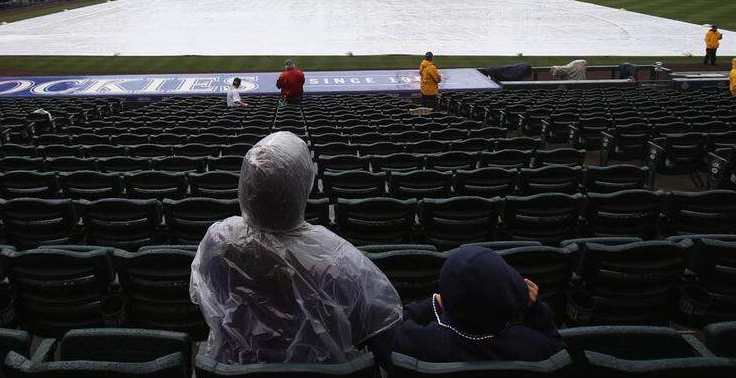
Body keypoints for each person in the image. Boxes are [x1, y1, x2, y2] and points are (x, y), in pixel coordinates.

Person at [190, 132, 401, 363]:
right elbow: (368, 325)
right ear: (304, 185)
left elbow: (210, 302)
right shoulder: (338, 258)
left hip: (235, 375)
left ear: (246, 184)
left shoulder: (217, 241)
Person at [369, 246, 563, 365]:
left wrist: (432, 304)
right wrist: (535, 308)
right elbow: (559, 351)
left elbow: (381, 333)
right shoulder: (532, 348)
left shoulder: (421, 344)